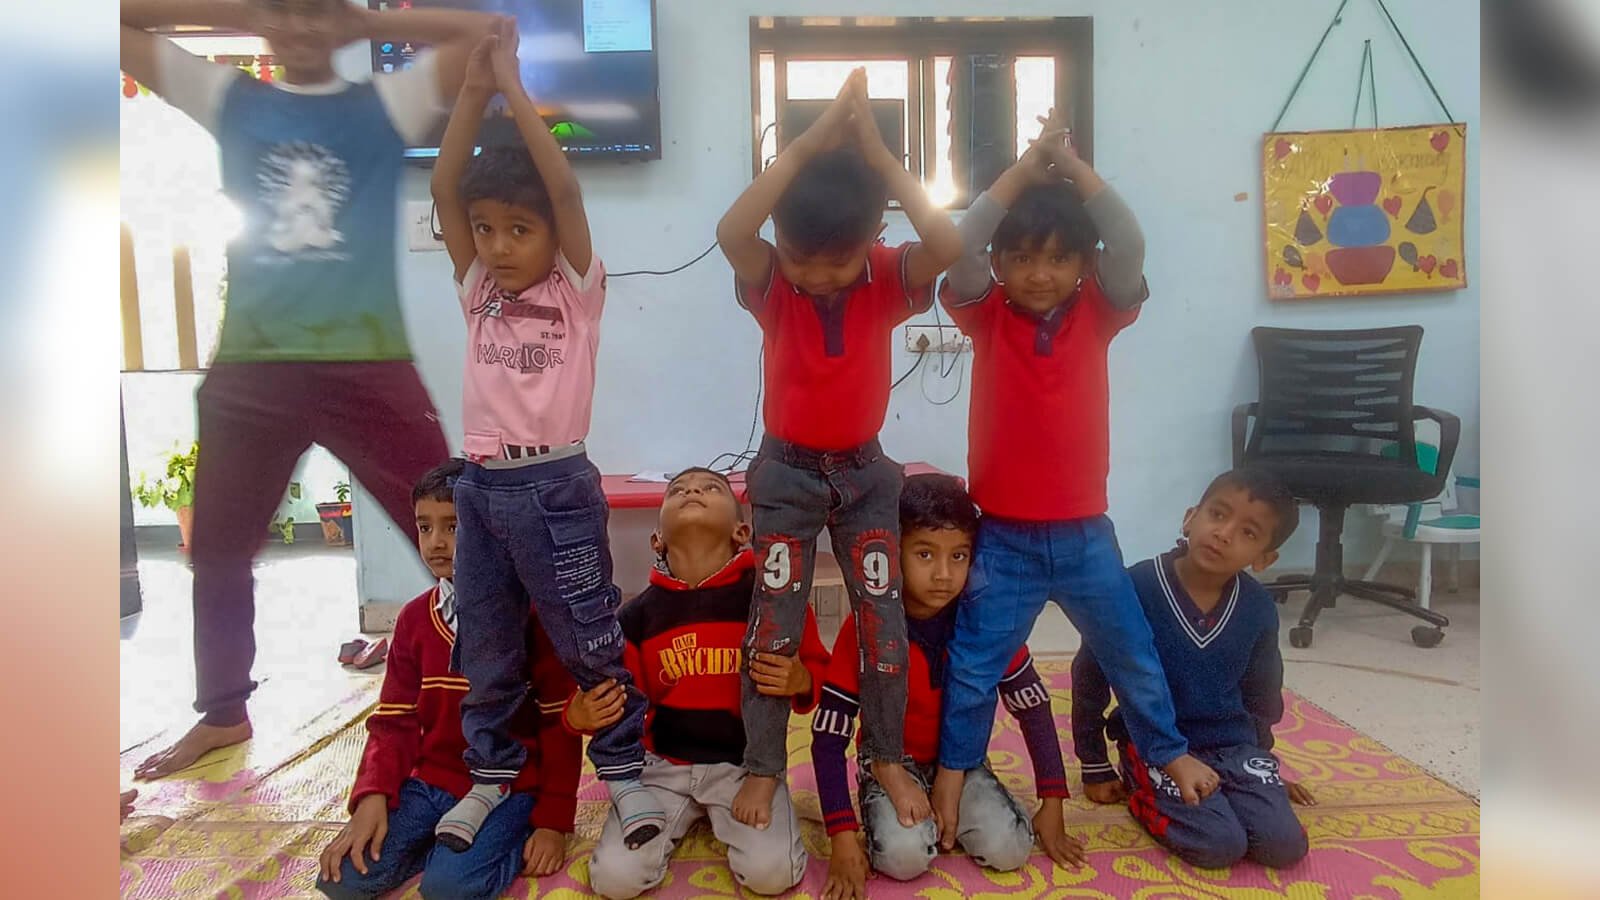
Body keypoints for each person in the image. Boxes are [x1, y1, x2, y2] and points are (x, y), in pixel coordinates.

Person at [123, 0, 498, 780]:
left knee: (462, 529)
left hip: (369, 362)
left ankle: (499, 689)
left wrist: (359, 24)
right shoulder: (230, 97)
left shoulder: (385, 104)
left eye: (315, 12)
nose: (298, 28)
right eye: (283, 13)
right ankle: (222, 712)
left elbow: (483, 36)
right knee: (218, 549)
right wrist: (248, 11)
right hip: (252, 368)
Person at [930, 112, 1223, 841]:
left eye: (1059, 258)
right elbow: (959, 245)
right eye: (1023, 258)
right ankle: (953, 772)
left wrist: (1074, 168)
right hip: (1003, 538)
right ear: (1000, 263)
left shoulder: (1099, 311)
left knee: (1133, 653)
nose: (1040, 273)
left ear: (1084, 265)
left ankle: (1164, 751)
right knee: (973, 665)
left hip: (1087, 536)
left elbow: (1129, 242)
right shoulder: (985, 313)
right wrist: (1022, 173)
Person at [428, 22, 659, 852]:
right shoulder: (477, 289)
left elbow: (562, 190)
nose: (497, 246)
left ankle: (625, 772)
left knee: (590, 635)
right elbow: (445, 185)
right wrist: (472, 91)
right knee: (487, 642)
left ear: (554, 237)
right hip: (480, 489)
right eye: (485, 229)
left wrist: (514, 90)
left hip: (555, 489)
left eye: (518, 230)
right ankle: (490, 778)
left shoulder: (575, 294)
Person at [715, 67, 963, 831]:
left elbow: (949, 242)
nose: (817, 277)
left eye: (835, 262)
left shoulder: (886, 276)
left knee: (883, 617)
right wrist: (805, 145)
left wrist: (883, 160)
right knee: (775, 622)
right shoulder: (771, 280)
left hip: (865, 476)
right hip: (785, 473)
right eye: (801, 258)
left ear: (870, 241)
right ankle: (764, 764)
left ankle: (884, 751)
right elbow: (732, 232)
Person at [813, 475, 1086, 899]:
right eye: (925, 554)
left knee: (1011, 850)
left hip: (965, 761)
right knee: (904, 859)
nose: (944, 574)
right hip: (892, 762)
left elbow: (1033, 707)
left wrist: (1052, 803)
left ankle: (957, 809)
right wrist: (842, 836)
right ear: (894, 551)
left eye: (959, 555)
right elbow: (829, 736)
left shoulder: (988, 625)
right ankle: (908, 810)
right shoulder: (866, 630)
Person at [316, 460, 580, 899]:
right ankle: (436, 846)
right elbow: (394, 721)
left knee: (448, 888)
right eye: (425, 527)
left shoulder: (532, 617)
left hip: (510, 786)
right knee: (342, 878)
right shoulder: (413, 619)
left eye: (454, 526)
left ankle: (478, 847)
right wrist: (372, 796)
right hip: (431, 784)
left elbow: (559, 724)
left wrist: (552, 822)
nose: (436, 542)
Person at [570, 468, 829, 898]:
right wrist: (578, 715)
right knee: (615, 880)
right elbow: (617, 702)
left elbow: (817, 670)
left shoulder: (772, 603)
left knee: (773, 873)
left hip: (747, 768)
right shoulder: (634, 618)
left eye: (711, 488)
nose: (692, 491)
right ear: (656, 540)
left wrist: (801, 678)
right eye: (678, 490)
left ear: (742, 532)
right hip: (660, 768)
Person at [1073, 468, 1317, 869]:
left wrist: (1262, 767)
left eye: (1248, 532)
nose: (1224, 533)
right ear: (1190, 518)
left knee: (1284, 845)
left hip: (1232, 746)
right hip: (1157, 745)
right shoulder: (1133, 588)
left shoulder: (1258, 607)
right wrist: (1094, 764)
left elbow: (1262, 693)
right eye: (1217, 514)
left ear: (1264, 559)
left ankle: (1245, 788)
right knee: (1219, 844)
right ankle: (1140, 785)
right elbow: (1090, 677)